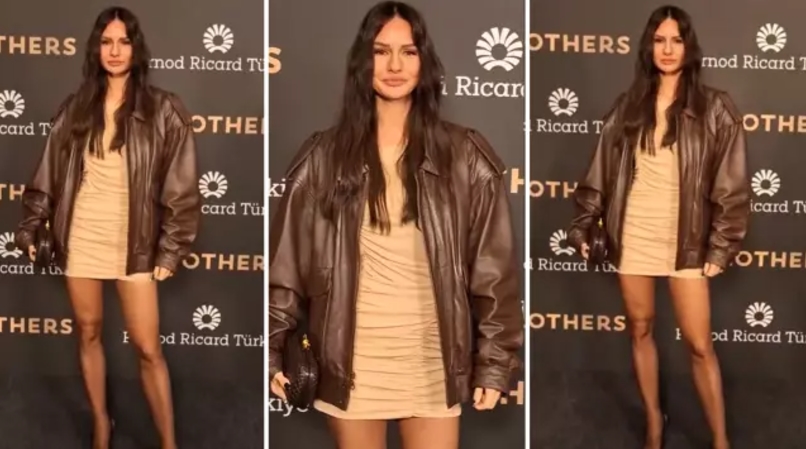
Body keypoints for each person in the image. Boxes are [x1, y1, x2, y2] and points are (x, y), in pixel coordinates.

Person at [268, 2, 523, 448]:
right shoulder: (322, 157)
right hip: (350, 366)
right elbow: (286, 267)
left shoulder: (465, 155)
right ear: (362, 62)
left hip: (432, 364)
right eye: (381, 51)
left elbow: (494, 273)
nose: (394, 65)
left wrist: (496, 362)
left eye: (408, 52)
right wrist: (272, 350)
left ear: (424, 62)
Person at [16, 6, 199, 449]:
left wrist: (172, 247)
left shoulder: (164, 109)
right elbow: (46, 175)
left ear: (136, 48)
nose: (115, 51)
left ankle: (169, 442)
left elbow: (182, 188)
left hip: (135, 242)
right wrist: (31, 226)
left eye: (123, 41)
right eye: (106, 42)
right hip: (82, 235)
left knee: (148, 349)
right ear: (95, 49)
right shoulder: (75, 108)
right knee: (89, 331)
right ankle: (101, 422)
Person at [567, 5, 749, 449]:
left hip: (687, 241)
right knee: (640, 328)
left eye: (676, 40)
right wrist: (584, 223)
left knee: (700, 345)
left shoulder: (715, 108)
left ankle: (721, 440)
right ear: (649, 47)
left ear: (689, 47)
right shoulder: (627, 107)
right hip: (634, 235)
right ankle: (654, 422)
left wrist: (721, 246)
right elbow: (598, 173)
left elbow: (732, 185)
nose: (667, 50)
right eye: (659, 40)